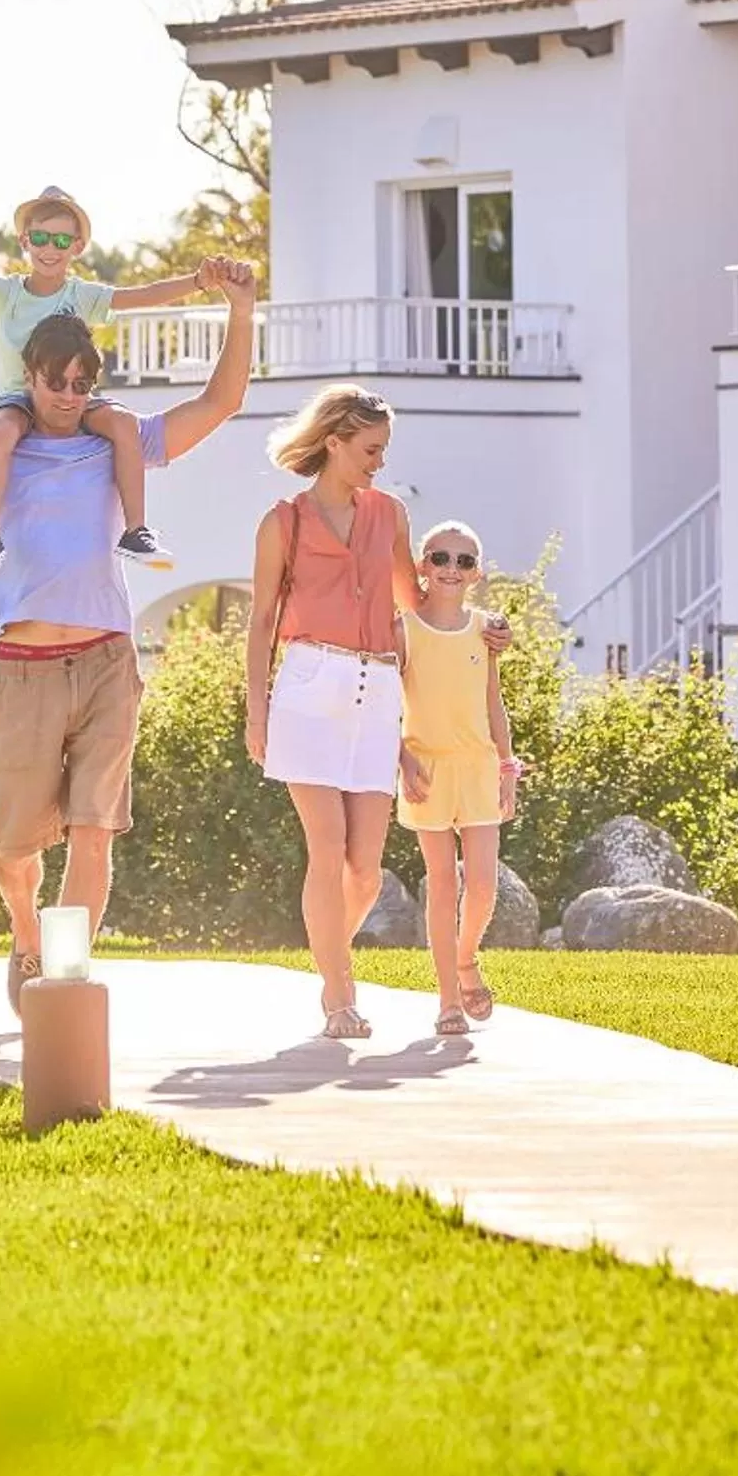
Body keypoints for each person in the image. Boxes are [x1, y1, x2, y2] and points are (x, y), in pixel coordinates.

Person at [0, 233, 257, 1018]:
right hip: (25, 670)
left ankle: (65, 982)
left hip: (106, 662)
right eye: (56, 381)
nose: (70, 395)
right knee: (11, 851)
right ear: (29, 377)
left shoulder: (116, 444)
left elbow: (218, 405)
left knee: (93, 832)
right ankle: (27, 935)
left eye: (83, 383)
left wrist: (240, 310)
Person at [0, 187, 210, 576]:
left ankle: (135, 530)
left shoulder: (82, 295)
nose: (49, 249)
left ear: (77, 247)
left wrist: (198, 281)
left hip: (70, 394)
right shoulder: (6, 293)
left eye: (61, 240)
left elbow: (141, 295)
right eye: (40, 238)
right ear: (25, 240)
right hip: (16, 399)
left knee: (123, 423)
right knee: (1, 431)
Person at [243, 385, 422, 1041]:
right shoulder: (282, 523)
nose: (380, 462)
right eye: (371, 449)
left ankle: (327, 963)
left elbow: (415, 602)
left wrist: (475, 617)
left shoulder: (390, 515)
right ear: (334, 442)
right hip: (308, 688)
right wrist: (257, 711)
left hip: (377, 690)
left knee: (365, 870)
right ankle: (340, 996)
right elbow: (262, 621)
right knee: (327, 848)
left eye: (383, 450)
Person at [397, 520, 520, 1037]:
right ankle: (448, 1000)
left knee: (485, 886)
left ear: (477, 574)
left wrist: (508, 767)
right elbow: (384, 705)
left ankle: (467, 958)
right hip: (427, 768)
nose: (451, 568)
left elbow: (494, 703)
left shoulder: (485, 631)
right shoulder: (403, 629)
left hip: (478, 767)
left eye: (463, 561)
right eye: (440, 558)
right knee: (443, 883)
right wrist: (402, 760)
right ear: (422, 567)